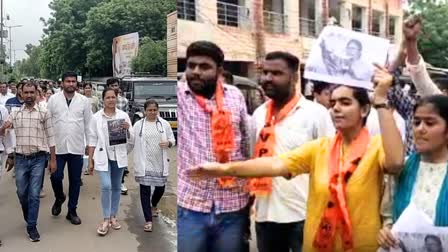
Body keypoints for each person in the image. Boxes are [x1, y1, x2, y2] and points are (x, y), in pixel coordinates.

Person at [191, 65, 405, 251]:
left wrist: (381, 101)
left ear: (365, 109)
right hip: (318, 245)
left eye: (345, 103)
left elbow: (395, 163)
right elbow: (273, 164)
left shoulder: (376, 147)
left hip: (362, 246)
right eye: (333, 103)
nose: (336, 108)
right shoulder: (319, 149)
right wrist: (223, 169)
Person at [250, 51, 334, 252]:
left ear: (295, 77)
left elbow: (330, 164)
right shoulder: (258, 115)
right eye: (265, 72)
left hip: (303, 216)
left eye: (277, 73)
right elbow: (253, 163)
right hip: (265, 215)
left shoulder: (316, 114)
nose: (268, 78)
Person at [177, 41, 251, 252]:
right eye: (191, 66)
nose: (196, 72)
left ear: (219, 71)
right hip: (191, 205)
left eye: (204, 67)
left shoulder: (235, 97)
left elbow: (245, 145)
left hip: (232, 205)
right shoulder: (180, 96)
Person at [377, 95, 448, 250]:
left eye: (430, 123)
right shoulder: (403, 167)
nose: (420, 129)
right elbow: (388, 216)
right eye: (416, 122)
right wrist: (385, 232)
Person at [0, 82, 56, 242]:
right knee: (21, 193)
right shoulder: (16, 113)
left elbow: (51, 138)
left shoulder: (44, 113)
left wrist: (53, 160)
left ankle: (32, 226)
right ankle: (28, 215)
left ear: (37, 94)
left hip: (39, 158)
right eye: (26, 92)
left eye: (32, 92)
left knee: (34, 195)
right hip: (21, 160)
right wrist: (4, 128)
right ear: (21, 94)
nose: (29, 95)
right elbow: (4, 131)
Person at [47, 71, 92, 225]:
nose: (71, 84)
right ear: (62, 83)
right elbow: (47, 123)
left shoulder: (84, 101)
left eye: (73, 81)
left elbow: (88, 124)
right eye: (68, 81)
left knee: (75, 181)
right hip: (57, 147)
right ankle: (59, 196)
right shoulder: (53, 100)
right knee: (56, 176)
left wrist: (88, 144)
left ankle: (72, 211)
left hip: (76, 146)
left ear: (76, 83)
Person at [87, 88, 133, 236]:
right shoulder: (96, 118)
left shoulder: (123, 116)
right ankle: (106, 218)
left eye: (113, 97)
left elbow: (132, 139)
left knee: (116, 187)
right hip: (102, 156)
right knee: (106, 186)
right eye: (108, 97)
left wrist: (127, 130)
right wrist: (90, 160)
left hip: (118, 156)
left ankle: (114, 216)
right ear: (103, 100)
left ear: (116, 98)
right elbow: (92, 139)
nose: (111, 100)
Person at [133, 99, 175, 232]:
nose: (152, 112)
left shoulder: (164, 124)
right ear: (144, 111)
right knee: (144, 191)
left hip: (159, 162)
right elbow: (130, 139)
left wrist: (168, 143)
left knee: (160, 188)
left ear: (158, 110)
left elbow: (172, 140)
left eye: (154, 110)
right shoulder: (139, 125)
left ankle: (154, 204)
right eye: (149, 110)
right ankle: (148, 220)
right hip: (144, 163)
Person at [98, 77, 129, 195]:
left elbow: (128, 118)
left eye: (116, 85)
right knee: (107, 162)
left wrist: (126, 128)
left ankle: (120, 182)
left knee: (119, 161)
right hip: (105, 137)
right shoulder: (101, 101)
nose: (115, 88)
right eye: (112, 86)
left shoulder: (124, 101)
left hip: (119, 136)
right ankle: (108, 184)